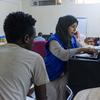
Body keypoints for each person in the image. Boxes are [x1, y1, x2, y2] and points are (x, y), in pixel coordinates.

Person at [44, 15, 97, 100]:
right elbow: (64, 55)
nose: (75, 30)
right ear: (65, 26)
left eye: (75, 27)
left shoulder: (72, 38)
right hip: (52, 75)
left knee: (63, 96)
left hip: (64, 73)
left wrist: (89, 50)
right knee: (53, 96)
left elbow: (80, 47)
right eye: (73, 27)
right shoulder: (53, 40)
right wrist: (81, 49)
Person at [0, 11, 49, 100]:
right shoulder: (35, 58)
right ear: (26, 38)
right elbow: (42, 97)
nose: (33, 43)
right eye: (33, 38)